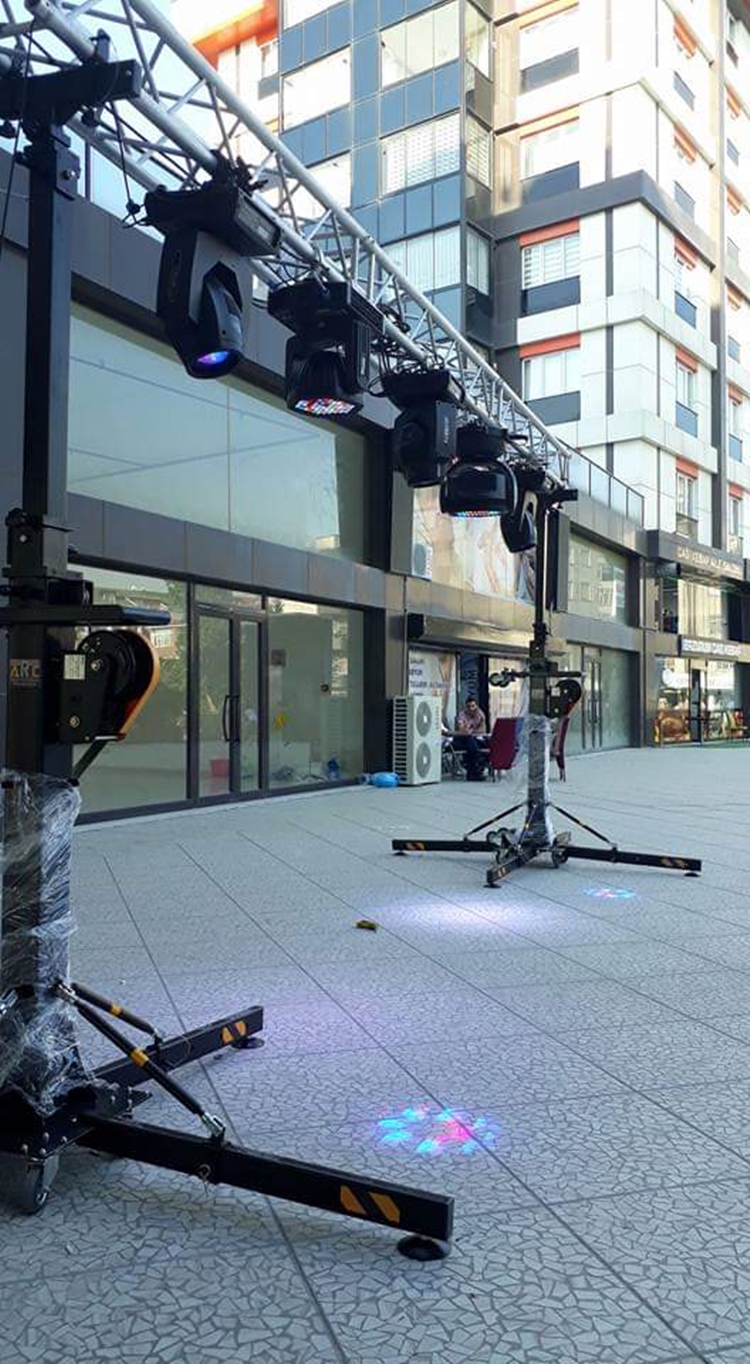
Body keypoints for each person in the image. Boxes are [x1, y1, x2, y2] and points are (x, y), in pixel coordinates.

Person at [454, 696, 488, 781]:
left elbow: (482, 730)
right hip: (461, 739)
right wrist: (471, 731)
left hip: (475, 739)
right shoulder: (462, 715)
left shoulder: (480, 714)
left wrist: (471, 731)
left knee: (480, 743)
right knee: (471, 743)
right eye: (468, 706)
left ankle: (475, 771)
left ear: (476, 706)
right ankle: (475, 771)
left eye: (473, 706)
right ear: (466, 707)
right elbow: (462, 730)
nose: (471, 709)